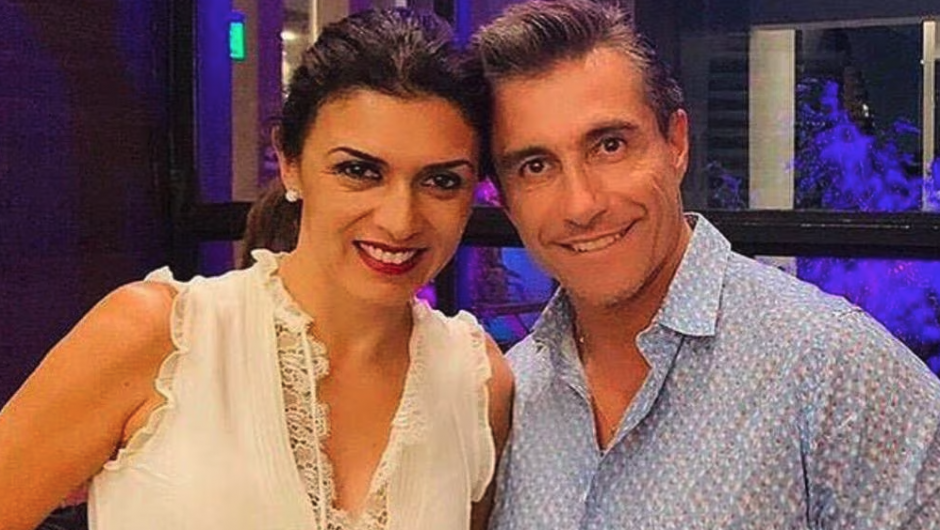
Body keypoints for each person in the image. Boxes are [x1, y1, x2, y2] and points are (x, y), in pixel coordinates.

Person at [0, 8, 512, 530]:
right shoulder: (161, 334)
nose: (400, 220)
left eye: (442, 181)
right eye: (359, 170)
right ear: (290, 162)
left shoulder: (475, 380)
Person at [470, 1, 940, 528]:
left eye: (609, 145)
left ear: (676, 143)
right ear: (504, 200)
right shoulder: (508, 397)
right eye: (536, 166)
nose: (582, 204)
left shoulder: (832, 368)